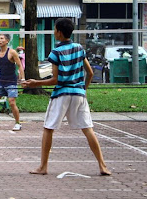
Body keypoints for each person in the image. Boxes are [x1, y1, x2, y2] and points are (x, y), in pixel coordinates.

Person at [23, 18, 111, 176]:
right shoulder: (79, 48)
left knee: (48, 128)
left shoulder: (56, 52)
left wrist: (34, 83)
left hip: (62, 94)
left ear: (59, 32)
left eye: (55, 29)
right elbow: (90, 73)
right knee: (88, 129)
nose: (54, 31)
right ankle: (102, 165)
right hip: (79, 95)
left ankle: (43, 166)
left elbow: (55, 80)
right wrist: (83, 89)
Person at [0, 34, 25, 131]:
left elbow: (20, 66)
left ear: (7, 41)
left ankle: (18, 123)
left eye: (1, 38)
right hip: (1, 82)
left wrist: (22, 79)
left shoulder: (12, 52)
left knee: (12, 102)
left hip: (11, 82)